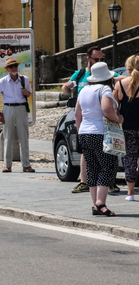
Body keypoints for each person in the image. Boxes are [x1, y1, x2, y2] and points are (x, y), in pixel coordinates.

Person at [62, 46, 121, 194]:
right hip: (91, 123)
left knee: (96, 162)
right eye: (96, 59)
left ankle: (98, 196)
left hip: (88, 127)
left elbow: (123, 77)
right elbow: (65, 90)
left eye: (101, 59)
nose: (99, 61)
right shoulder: (80, 74)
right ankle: (87, 185)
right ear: (88, 59)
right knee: (103, 161)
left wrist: (114, 78)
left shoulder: (103, 72)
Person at [75, 61, 124, 217]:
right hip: (101, 133)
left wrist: (80, 131)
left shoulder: (83, 90)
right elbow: (107, 109)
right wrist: (118, 118)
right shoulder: (105, 90)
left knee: (93, 168)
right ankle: (100, 204)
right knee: (108, 166)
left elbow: (78, 114)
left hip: (85, 132)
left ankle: (95, 203)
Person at [0, 57, 35, 173]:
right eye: (11, 67)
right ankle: (7, 165)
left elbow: (29, 92)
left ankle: (26, 164)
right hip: (8, 108)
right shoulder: (2, 81)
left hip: (21, 107)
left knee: (24, 137)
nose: (14, 68)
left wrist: (27, 93)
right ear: (7, 69)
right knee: (8, 137)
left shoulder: (24, 79)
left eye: (15, 66)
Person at [113, 54, 139, 201]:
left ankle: (130, 193)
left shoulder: (120, 85)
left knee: (130, 159)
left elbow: (113, 106)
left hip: (127, 127)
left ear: (127, 68)